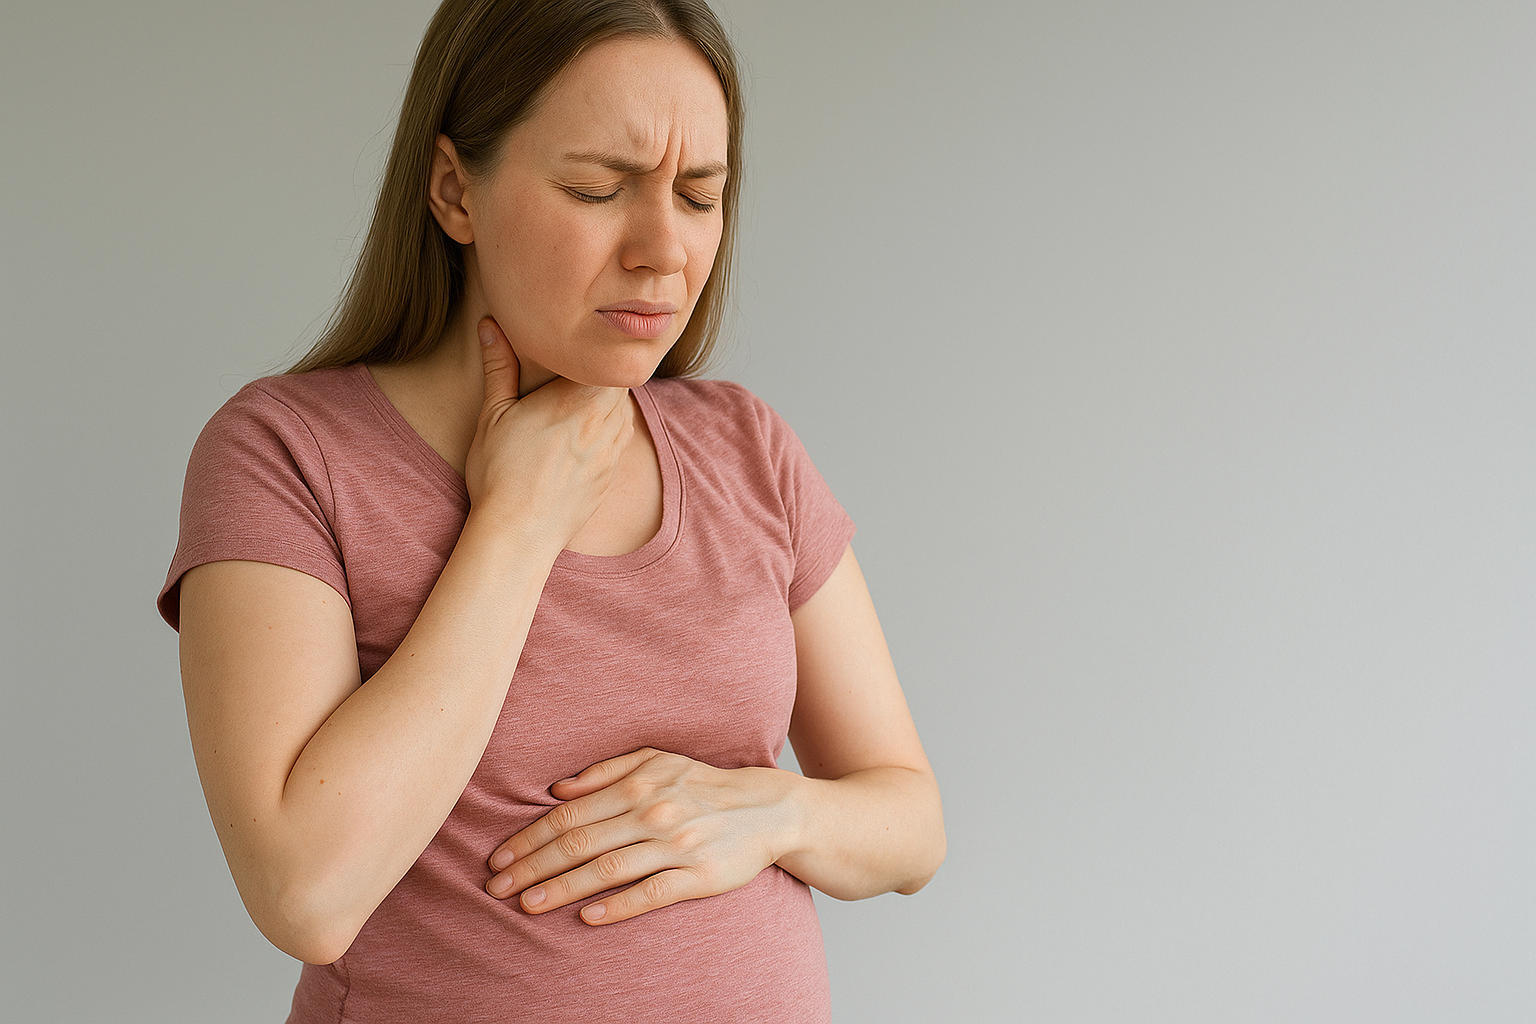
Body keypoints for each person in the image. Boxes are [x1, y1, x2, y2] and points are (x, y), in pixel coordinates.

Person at [158, 1, 944, 1020]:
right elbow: (306, 891)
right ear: (454, 190)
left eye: (699, 196)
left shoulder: (746, 446)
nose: (663, 250)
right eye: (596, 188)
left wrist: (775, 812)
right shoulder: (288, 453)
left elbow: (911, 823)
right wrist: (518, 521)